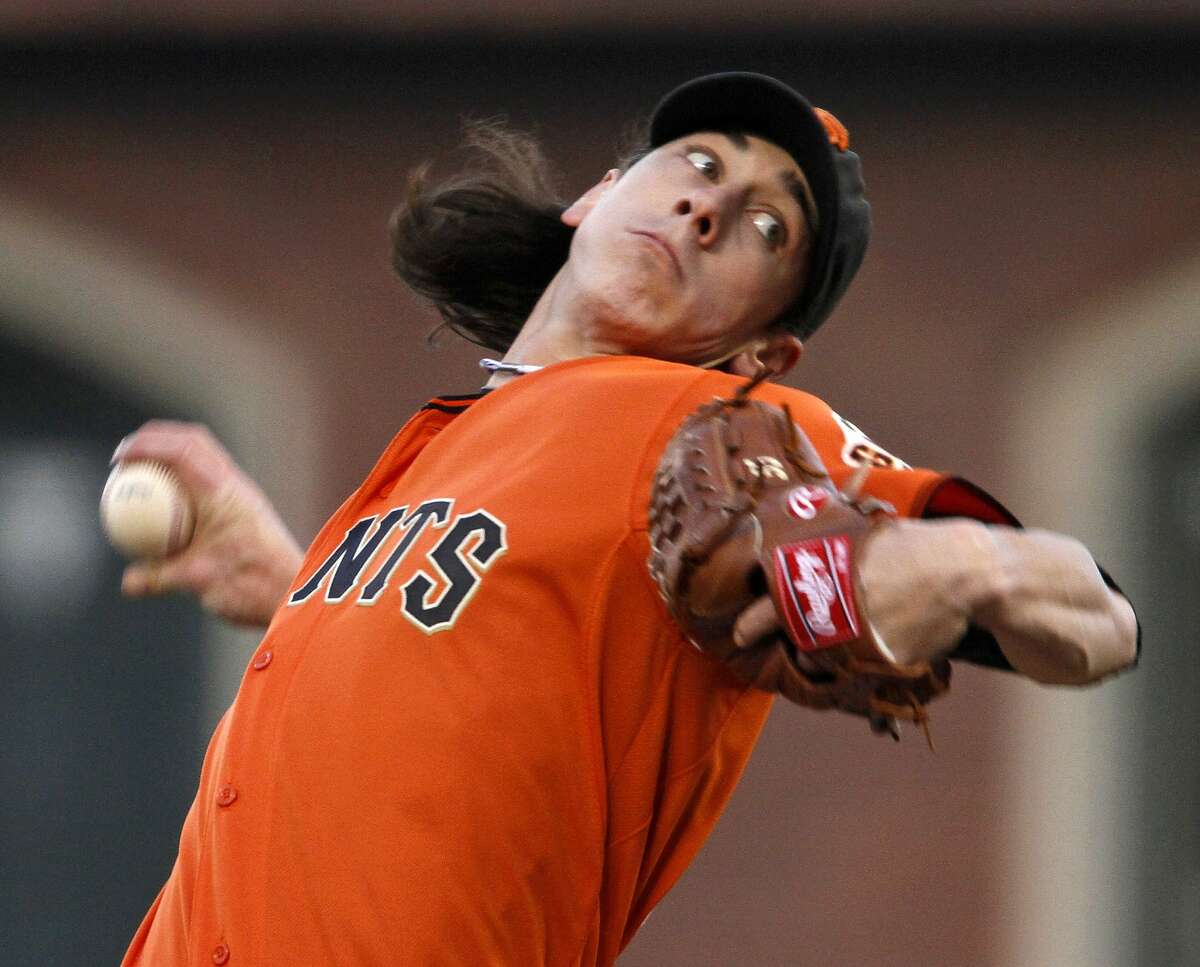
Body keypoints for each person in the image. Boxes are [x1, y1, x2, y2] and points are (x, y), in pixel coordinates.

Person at [116, 73, 1138, 966]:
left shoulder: (711, 422)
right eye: (696, 161)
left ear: (760, 353)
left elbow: (1098, 618)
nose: (709, 207)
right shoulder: (430, 450)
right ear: (598, 196)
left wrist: (962, 564)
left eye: (767, 228)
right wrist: (299, 591)